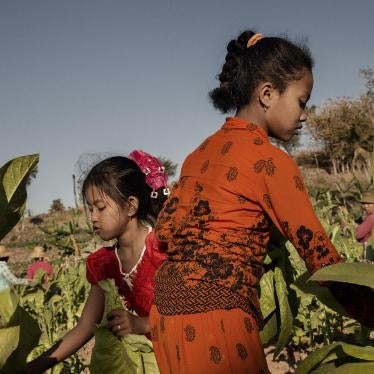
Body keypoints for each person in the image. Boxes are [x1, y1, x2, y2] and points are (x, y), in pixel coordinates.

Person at [149, 30, 374, 373]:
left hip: (165, 316)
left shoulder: (198, 155)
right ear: (267, 94)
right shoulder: (269, 162)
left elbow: (169, 233)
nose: (305, 116)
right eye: (302, 101)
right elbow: (323, 262)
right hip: (216, 321)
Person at [26, 151, 169, 373]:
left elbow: (186, 316)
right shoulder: (104, 264)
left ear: (131, 206)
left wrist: (142, 323)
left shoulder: (163, 250)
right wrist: (32, 368)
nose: (93, 217)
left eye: (100, 208)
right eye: (90, 208)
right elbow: (85, 328)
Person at [355, 189, 374, 260]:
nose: (365, 206)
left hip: (368, 253)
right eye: (363, 204)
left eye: (368, 204)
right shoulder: (368, 216)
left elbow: (357, 234)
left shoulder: (371, 218)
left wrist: (349, 226)